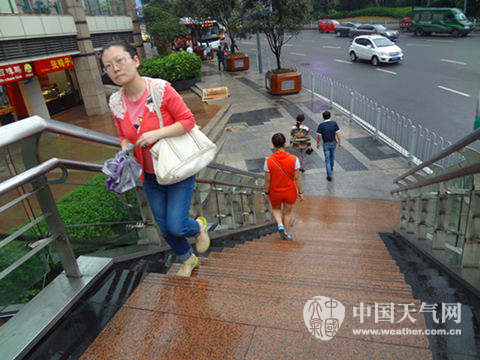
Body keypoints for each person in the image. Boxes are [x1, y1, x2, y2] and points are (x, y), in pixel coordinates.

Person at [101, 40, 210, 277]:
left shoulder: (160, 90)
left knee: (177, 224)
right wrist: (124, 149)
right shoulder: (115, 102)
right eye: (108, 66)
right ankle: (187, 258)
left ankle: (199, 226)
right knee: (164, 227)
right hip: (149, 174)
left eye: (120, 60)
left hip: (176, 167)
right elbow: (122, 134)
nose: (115, 69)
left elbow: (188, 121)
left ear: (135, 60)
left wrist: (156, 134)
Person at [264, 133, 304, 240]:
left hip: (275, 191)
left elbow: (267, 180)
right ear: (285, 144)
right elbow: (297, 178)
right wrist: (300, 192)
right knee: (287, 213)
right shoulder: (294, 159)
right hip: (290, 191)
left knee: (276, 209)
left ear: (273, 145)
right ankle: (286, 233)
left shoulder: (268, 161)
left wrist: (266, 192)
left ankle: (280, 224)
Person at [316, 111, 341, 182]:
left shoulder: (321, 125)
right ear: (330, 116)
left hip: (326, 144)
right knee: (332, 155)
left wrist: (317, 143)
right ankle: (331, 167)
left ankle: (329, 175)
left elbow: (319, 136)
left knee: (327, 160)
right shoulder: (334, 123)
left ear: (323, 117)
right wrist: (339, 142)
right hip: (333, 143)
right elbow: (337, 134)